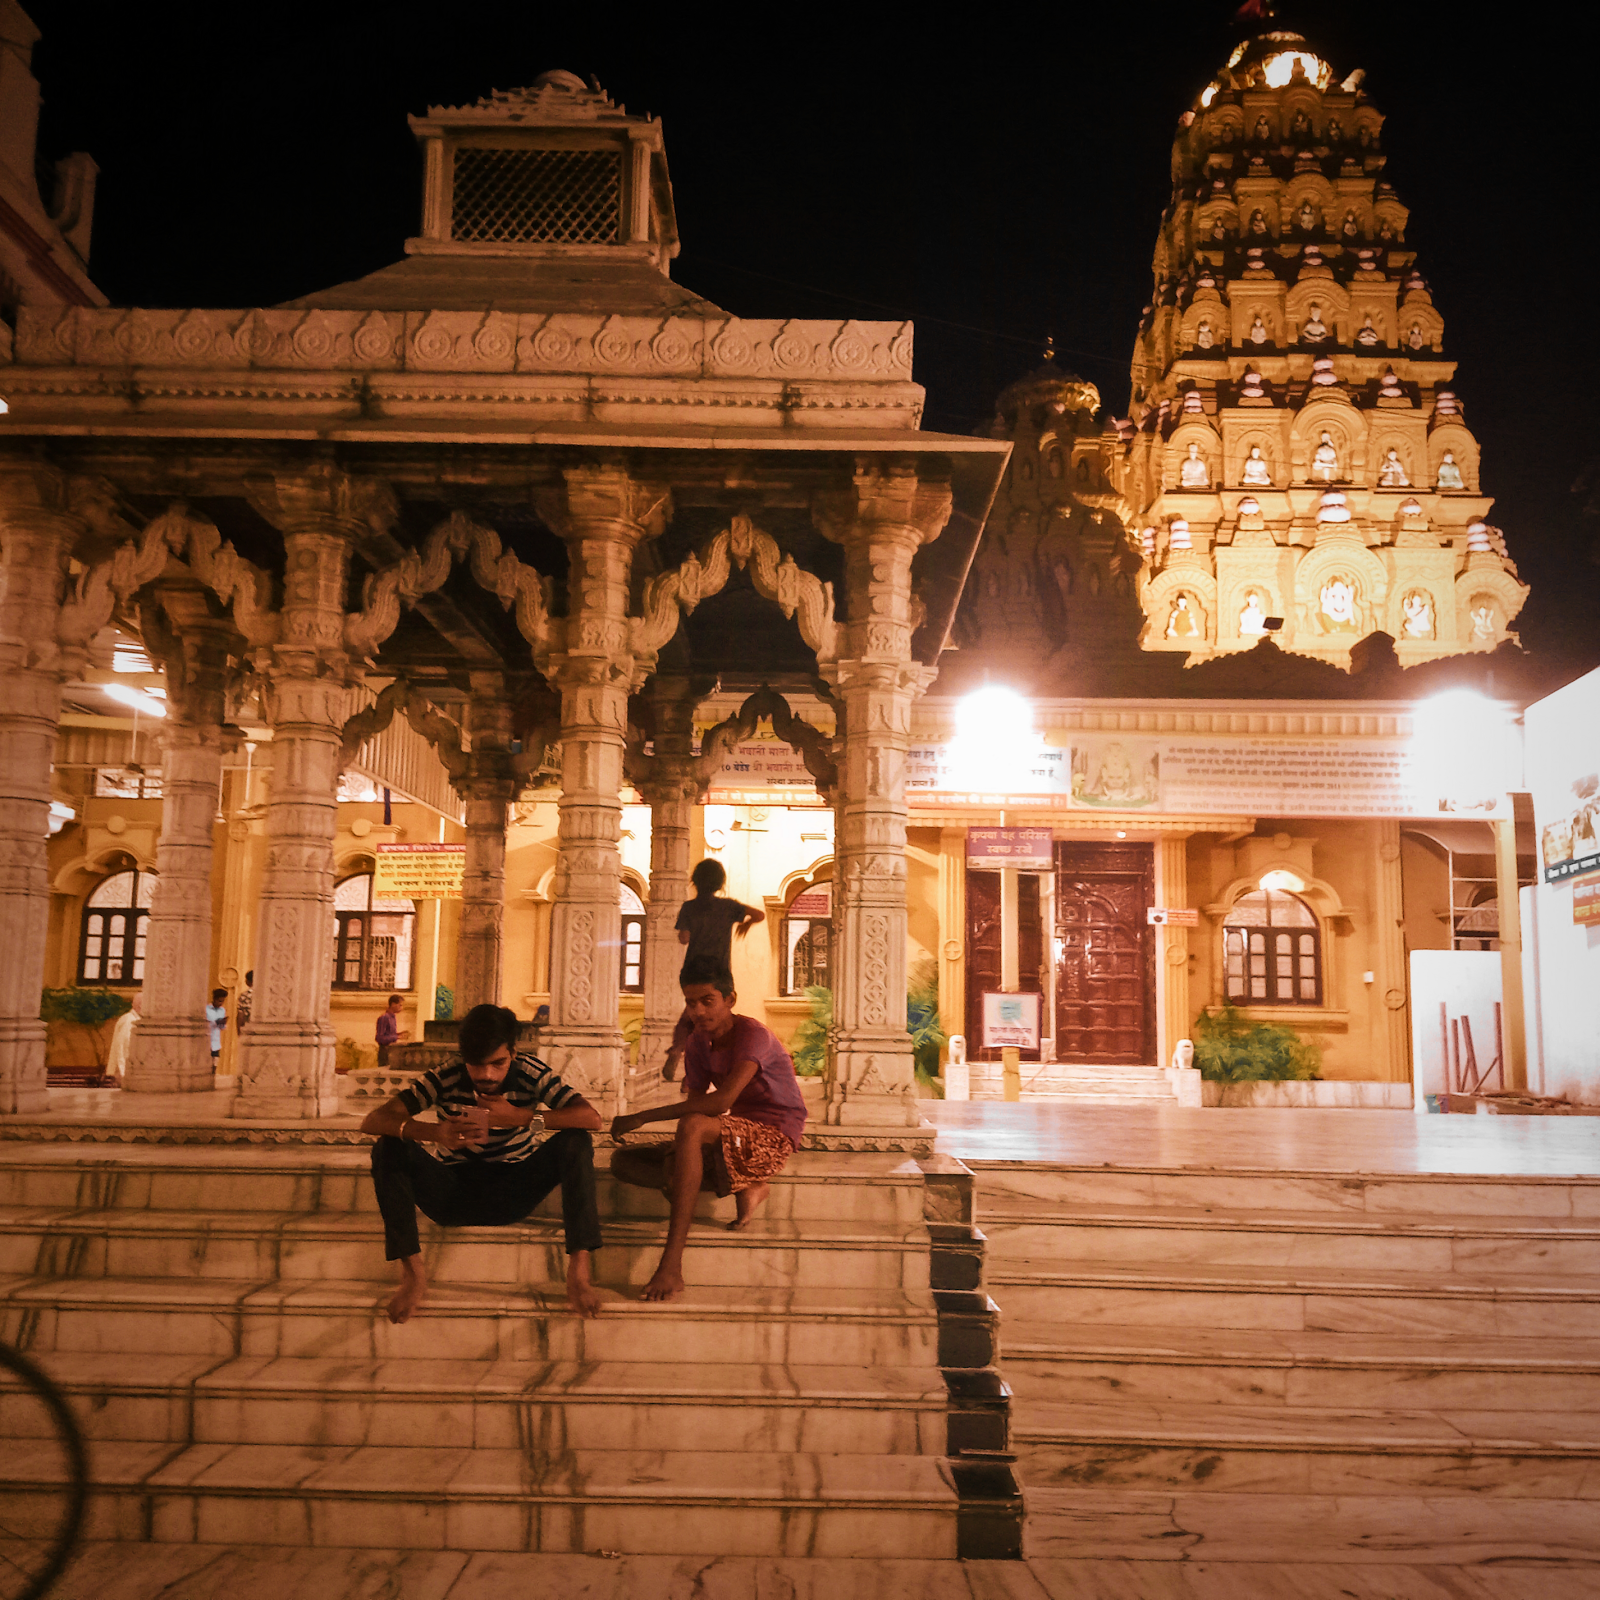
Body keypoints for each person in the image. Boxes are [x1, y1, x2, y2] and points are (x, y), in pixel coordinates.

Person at [359, 1003, 604, 1324]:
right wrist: (435, 1132)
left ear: (513, 1053)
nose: (486, 1075)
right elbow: (373, 1120)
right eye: (476, 1064)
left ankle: (579, 1273)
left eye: (497, 1063)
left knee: (577, 1140)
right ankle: (413, 1275)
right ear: (463, 1058)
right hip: (452, 1193)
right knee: (387, 1147)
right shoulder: (446, 1076)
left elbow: (591, 1118)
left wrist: (521, 1117)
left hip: (513, 1190)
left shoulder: (531, 1073)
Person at [611, 958, 808, 1302]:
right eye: (690, 1003)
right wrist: (678, 1152)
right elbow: (699, 1102)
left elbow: (720, 1103)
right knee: (624, 1162)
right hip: (731, 1133)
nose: (698, 1011)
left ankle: (671, 1264)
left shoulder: (753, 1035)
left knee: (689, 1129)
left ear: (730, 999)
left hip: (772, 1135)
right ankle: (746, 1184)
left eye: (707, 1001)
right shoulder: (698, 1042)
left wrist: (642, 1117)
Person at [662, 860, 764, 1079]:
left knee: (691, 1013)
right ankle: (697, 1072)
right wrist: (744, 924)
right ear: (720, 883)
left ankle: (678, 1049)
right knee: (715, 1019)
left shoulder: (689, 907)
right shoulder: (729, 907)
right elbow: (759, 915)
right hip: (718, 972)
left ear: (696, 881)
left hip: (692, 971)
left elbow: (684, 938)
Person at [104, 990, 140, 1084]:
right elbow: (124, 1046)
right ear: (140, 1006)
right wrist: (123, 1070)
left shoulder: (134, 1019)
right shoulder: (129, 1020)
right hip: (126, 1071)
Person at [375, 993, 408, 1067]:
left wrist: (399, 1034)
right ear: (393, 1004)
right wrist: (397, 1037)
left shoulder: (392, 1018)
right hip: (385, 1052)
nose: (402, 1008)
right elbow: (379, 1038)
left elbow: (389, 1034)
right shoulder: (384, 1018)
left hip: (391, 1050)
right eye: (400, 1005)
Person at [205, 989, 228, 1067]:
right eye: (219, 1001)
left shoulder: (222, 1010)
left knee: (215, 1063)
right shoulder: (206, 1009)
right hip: (206, 1038)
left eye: (222, 1001)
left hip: (216, 1041)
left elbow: (222, 1028)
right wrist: (215, 1022)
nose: (221, 1003)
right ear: (214, 999)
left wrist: (223, 1023)